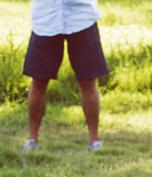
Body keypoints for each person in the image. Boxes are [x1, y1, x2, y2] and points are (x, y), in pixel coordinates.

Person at [22, 0, 109, 153]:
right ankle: (32, 139)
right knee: (39, 80)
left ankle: (94, 140)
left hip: (82, 17)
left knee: (88, 81)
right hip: (46, 18)